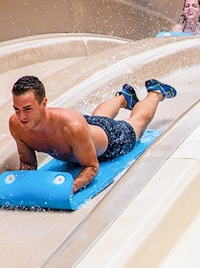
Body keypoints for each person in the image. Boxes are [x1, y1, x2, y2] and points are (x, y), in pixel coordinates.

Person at [9, 75, 176, 193]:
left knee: (137, 122)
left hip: (111, 140)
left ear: (43, 103)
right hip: (87, 130)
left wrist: (71, 187)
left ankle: (156, 92)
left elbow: (92, 166)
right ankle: (123, 98)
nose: (22, 116)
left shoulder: (71, 127)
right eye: (17, 109)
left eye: (28, 109)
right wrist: (22, 184)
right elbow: (28, 163)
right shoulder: (17, 125)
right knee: (96, 120)